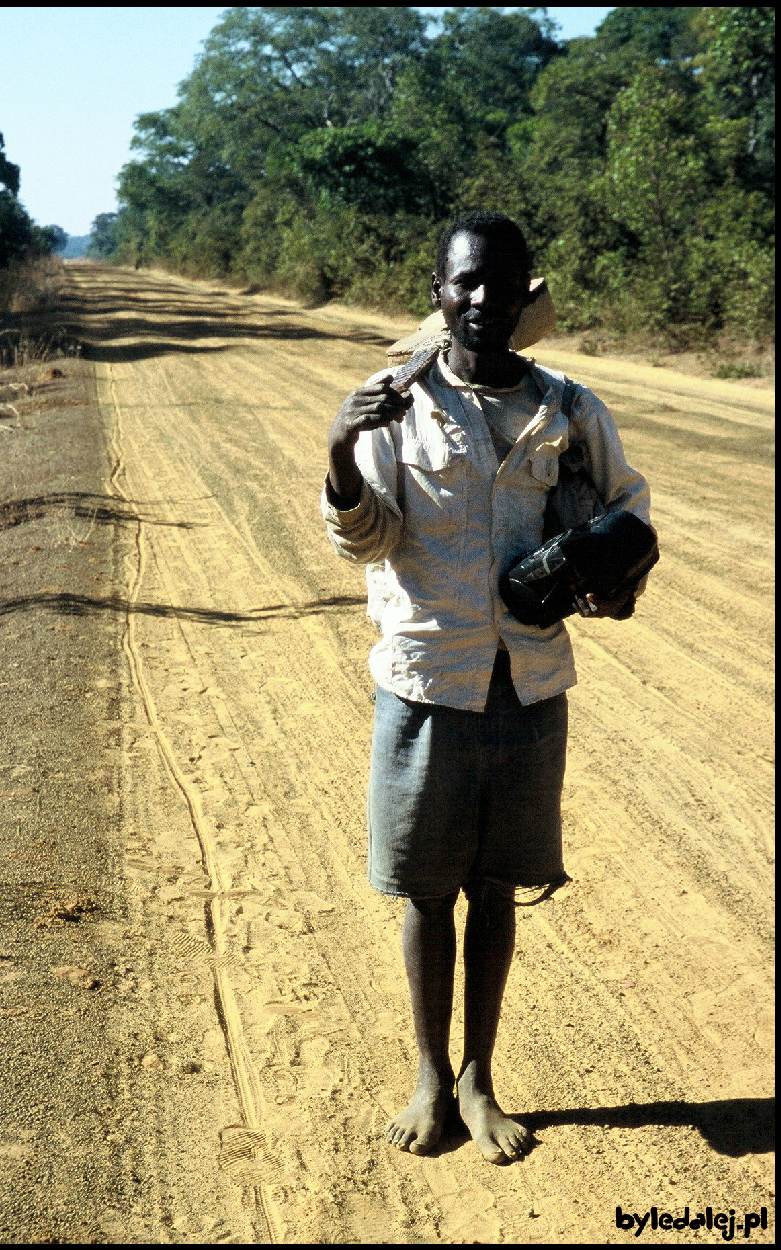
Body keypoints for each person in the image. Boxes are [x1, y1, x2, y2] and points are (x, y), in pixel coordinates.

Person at [321, 210, 651, 1164]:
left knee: (498, 889)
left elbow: (625, 510)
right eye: (463, 283)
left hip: (529, 685)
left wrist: (611, 568)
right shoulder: (392, 405)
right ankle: (429, 1075)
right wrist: (342, 450)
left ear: (524, 296)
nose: (481, 299)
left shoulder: (568, 407)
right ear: (439, 294)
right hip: (427, 683)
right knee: (429, 895)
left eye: (500, 284)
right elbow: (365, 539)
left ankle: (480, 1078)